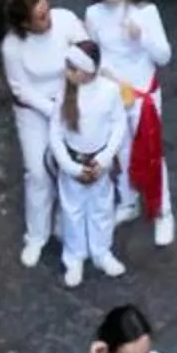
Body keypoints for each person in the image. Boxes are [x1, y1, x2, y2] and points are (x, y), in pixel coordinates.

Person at [88, 0, 175, 245]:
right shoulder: (93, 14)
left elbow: (164, 56)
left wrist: (142, 37)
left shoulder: (146, 13)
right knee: (120, 149)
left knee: (151, 150)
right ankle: (128, 200)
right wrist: (104, 72)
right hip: (113, 91)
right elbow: (94, 52)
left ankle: (162, 210)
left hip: (143, 91)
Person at [1, 0, 87, 268]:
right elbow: (21, 90)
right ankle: (36, 235)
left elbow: (85, 52)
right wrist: (53, 111)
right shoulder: (12, 47)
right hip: (34, 111)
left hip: (69, 100)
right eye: (41, 17)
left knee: (73, 163)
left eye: (47, 11)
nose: (49, 19)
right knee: (37, 172)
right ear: (26, 24)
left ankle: (66, 220)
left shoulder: (65, 20)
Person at [49, 39, 130, 287]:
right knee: (72, 210)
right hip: (74, 162)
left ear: (89, 70)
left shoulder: (110, 91)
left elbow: (118, 124)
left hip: (99, 161)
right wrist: (70, 167)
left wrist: (104, 159)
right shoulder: (63, 95)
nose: (68, 72)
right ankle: (74, 256)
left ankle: (101, 251)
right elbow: (55, 133)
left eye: (73, 68)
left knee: (101, 208)